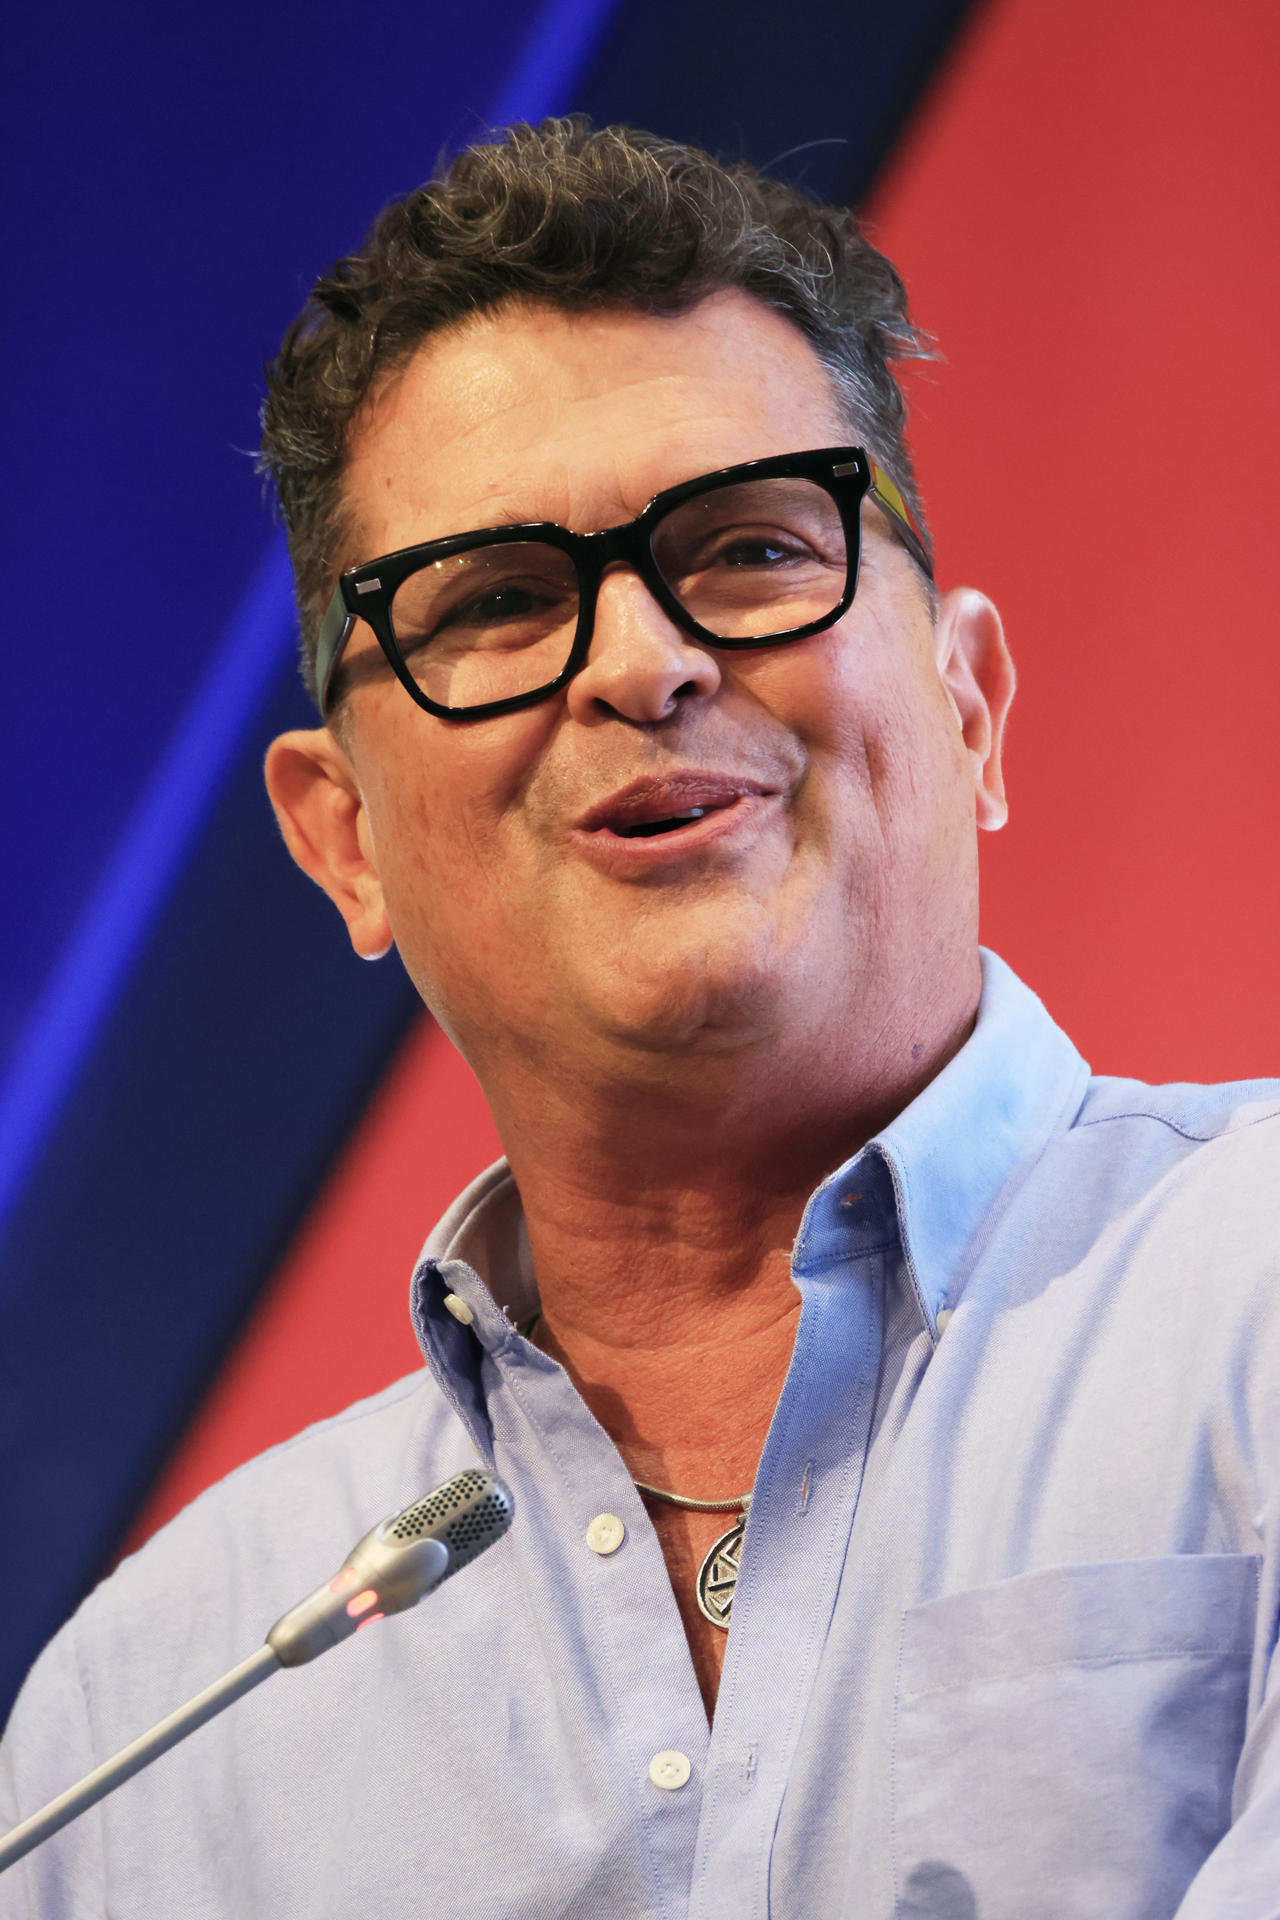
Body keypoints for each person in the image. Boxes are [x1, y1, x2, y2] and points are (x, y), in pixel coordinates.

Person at [2, 116, 1278, 1919]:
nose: (641, 661)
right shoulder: (146, 1729)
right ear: (345, 841)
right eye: (503, 603)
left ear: (972, 704)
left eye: (752, 548)